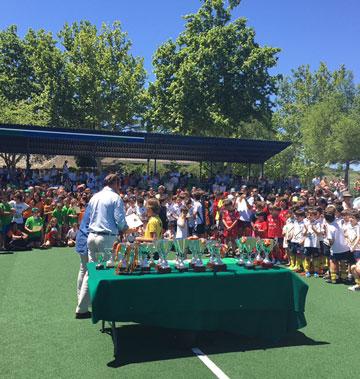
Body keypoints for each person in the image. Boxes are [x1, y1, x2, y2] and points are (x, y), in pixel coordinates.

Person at [76, 174, 128, 319]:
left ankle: (82, 308)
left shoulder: (95, 196)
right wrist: (126, 228)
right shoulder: (116, 198)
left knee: (90, 271)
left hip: (92, 236)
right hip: (106, 237)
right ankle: (103, 306)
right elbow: (120, 220)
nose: (120, 186)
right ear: (115, 183)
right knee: (106, 272)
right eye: (119, 183)